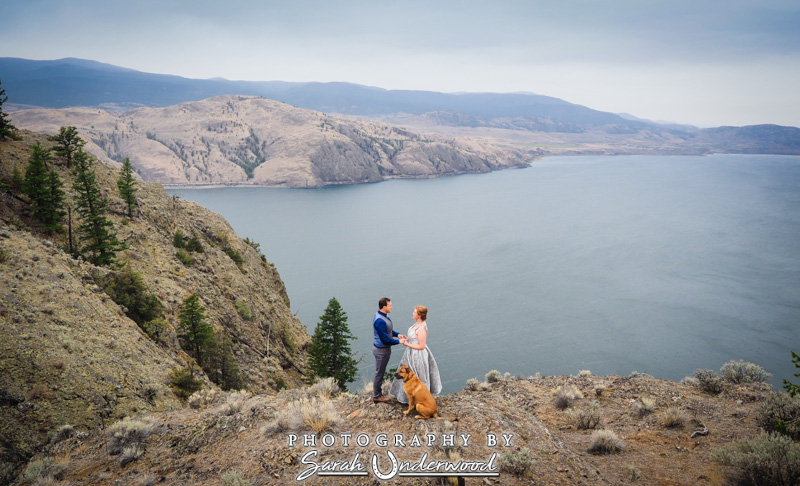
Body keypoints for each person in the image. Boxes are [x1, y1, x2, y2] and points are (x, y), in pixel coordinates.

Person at [389, 305, 442, 404]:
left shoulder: (421, 328)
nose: (412, 313)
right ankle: (408, 398)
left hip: (418, 356)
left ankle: (421, 400)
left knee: (419, 377)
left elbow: (421, 346)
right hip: (410, 353)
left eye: (414, 312)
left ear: (419, 315)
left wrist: (406, 343)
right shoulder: (417, 324)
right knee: (407, 376)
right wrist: (408, 339)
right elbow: (415, 339)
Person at [372, 297, 404, 403]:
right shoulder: (380, 320)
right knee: (379, 373)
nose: (392, 307)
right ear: (384, 306)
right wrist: (398, 342)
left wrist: (397, 334)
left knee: (380, 372)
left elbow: (388, 330)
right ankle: (376, 396)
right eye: (390, 305)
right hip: (381, 350)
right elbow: (385, 339)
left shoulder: (382, 316)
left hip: (383, 350)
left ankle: (378, 394)